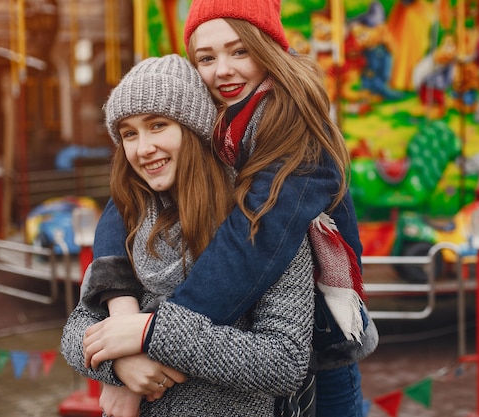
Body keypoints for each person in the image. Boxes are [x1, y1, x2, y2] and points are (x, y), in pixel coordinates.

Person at [83, 1, 379, 416]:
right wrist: (121, 309)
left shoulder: (299, 133)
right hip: (225, 354)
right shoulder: (214, 118)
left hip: (315, 338)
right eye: (206, 57)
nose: (222, 69)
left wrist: (149, 339)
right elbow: (127, 201)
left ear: (268, 47)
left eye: (239, 51)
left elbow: (252, 243)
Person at [61, 54, 316, 417]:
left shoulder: (262, 219)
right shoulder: (132, 219)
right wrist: (120, 368)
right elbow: (77, 329)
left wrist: (150, 336)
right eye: (129, 133)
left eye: (158, 125)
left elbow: (284, 361)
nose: (142, 148)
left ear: (193, 128)